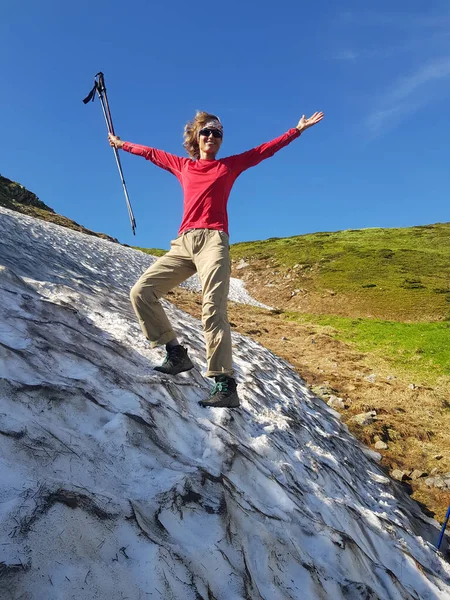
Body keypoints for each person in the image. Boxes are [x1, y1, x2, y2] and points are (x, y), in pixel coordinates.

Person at [108, 110, 324, 408]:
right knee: (141, 292)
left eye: (217, 133)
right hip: (183, 243)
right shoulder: (183, 165)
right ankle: (176, 353)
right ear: (196, 138)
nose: (211, 136)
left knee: (212, 309)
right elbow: (151, 153)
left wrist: (296, 130)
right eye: (206, 132)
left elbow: (263, 151)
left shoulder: (229, 166)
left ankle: (225, 383)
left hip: (213, 241)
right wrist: (121, 144)